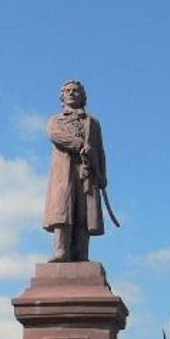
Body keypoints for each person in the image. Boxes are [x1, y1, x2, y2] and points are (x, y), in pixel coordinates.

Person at [42, 78, 108, 262]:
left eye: (76, 91)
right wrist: (79, 143)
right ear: (62, 97)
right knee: (63, 208)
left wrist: (102, 175)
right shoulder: (56, 120)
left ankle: (81, 253)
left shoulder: (92, 123)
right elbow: (56, 135)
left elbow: (100, 150)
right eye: (68, 91)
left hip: (87, 173)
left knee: (84, 212)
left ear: (83, 96)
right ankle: (61, 251)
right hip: (64, 171)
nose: (71, 93)